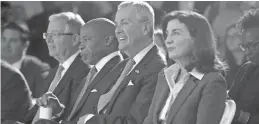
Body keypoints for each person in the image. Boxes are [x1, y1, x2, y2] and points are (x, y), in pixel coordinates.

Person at [68, 1, 166, 124]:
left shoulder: (157, 68)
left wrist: (89, 120)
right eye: (116, 24)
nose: (117, 30)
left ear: (145, 28)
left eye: (124, 23)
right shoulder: (123, 66)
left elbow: (135, 121)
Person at [143, 11, 228, 124]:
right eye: (167, 34)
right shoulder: (164, 75)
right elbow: (149, 120)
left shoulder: (212, 82)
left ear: (196, 39)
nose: (168, 40)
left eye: (176, 33)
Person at [34, 18, 124, 124]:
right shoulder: (92, 73)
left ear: (108, 40)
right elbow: (76, 115)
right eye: (81, 41)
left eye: (86, 39)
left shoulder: (120, 72)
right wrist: (58, 109)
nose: (80, 46)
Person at [25, 12, 90, 123]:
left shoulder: (86, 72)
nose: (48, 40)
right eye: (47, 35)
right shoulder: (54, 73)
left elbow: (74, 117)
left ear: (75, 39)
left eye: (54, 35)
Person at [1, 22, 50, 98]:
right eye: (3, 39)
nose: (6, 45)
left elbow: (44, 102)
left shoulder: (38, 69)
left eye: (13, 40)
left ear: (25, 45)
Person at [228, 8, 259, 124]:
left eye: (253, 45)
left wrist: (241, 116)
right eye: (244, 47)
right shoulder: (246, 68)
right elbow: (230, 101)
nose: (247, 52)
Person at [223, 24, 246, 88]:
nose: (231, 39)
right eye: (228, 36)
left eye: (235, 35)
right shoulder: (222, 67)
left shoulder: (253, 65)